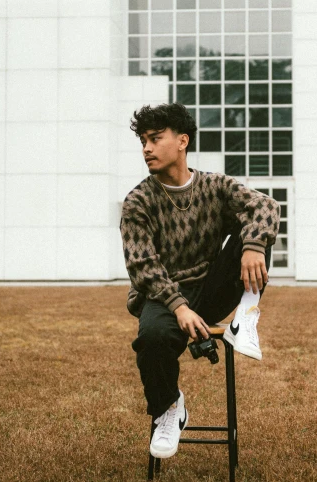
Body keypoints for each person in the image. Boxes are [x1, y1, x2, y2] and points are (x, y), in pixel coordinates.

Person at [120, 102, 281, 460]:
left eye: (155, 138)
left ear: (182, 141)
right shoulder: (138, 202)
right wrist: (178, 308)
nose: (146, 148)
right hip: (163, 296)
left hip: (210, 288)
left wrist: (253, 246)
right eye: (143, 141)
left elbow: (266, 206)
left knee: (255, 232)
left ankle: (246, 319)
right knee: (152, 339)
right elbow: (142, 266)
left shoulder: (213, 186)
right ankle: (169, 408)